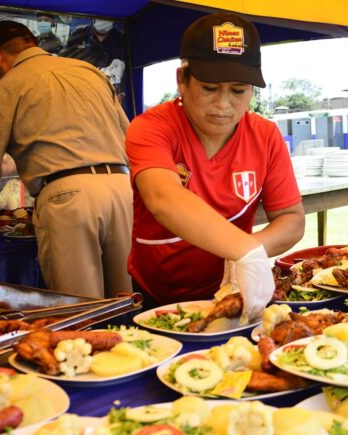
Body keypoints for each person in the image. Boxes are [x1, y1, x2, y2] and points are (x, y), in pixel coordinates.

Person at [0, 21, 133, 299]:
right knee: (125, 300)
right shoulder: (89, 72)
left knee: (79, 308)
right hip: (122, 190)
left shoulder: (7, 88)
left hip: (69, 198)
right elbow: (130, 138)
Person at [125, 13, 305, 323]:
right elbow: (163, 198)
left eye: (238, 91)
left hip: (229, 294)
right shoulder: (151, 128)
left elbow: (291, 219)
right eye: (210, 88)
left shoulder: (265, 135)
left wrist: (250, 252)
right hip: (156, 297)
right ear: (182, 80)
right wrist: (243, 250)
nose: (223, 104)